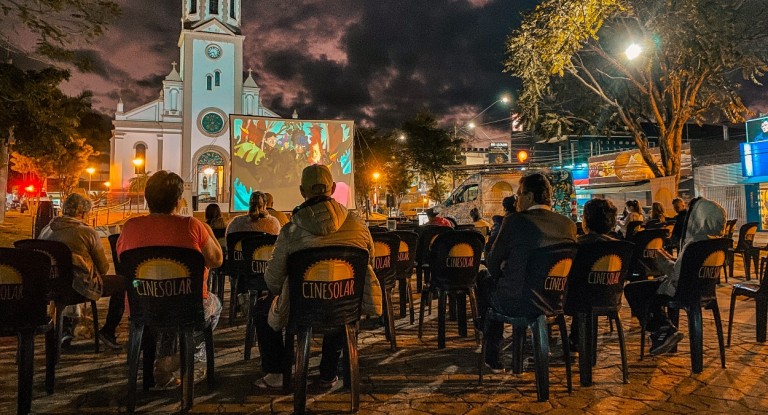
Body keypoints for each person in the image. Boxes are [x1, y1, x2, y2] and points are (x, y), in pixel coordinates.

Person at [254, 164, 382, 390]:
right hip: (345, 306)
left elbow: (273, 282)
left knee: (262, 307)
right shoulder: (359, 226)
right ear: (332, 188)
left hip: (302, 308)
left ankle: (277, 373)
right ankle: (328, 374)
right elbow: (368, 261)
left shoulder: (290, 231)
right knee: (340, 298)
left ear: (302, 191)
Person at [117, 171, 224, 388]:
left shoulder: (130, 227)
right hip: (188, 306)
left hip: (143, 305)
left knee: (168, 307)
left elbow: (122, 261)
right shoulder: (193, 226)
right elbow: (216, 260)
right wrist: (208, 231)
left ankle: (163, 371)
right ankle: (185, 357)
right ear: (178, 201)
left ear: (147, 199)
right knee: (215, 306)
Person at [477, 173, 577, 372]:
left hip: (518, 300)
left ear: (529, 197)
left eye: (519, 195)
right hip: (555, 300)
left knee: (484, 279)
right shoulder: (568, 225)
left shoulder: (515, 221)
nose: (517, 200)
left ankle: (492, 353)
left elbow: (492, 263)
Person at [623, 197, 726, 356]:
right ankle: (663, 328)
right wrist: (672, 260)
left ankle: (662, 328)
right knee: (649, 289)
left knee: (633, 289)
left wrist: (660, 258)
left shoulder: (694, 244)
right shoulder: (717, 242)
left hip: (681, 290)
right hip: (703, 289)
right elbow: (686, 269)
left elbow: (675, 275)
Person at [39, 193, 126, 350]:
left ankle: (65, 329)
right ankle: (108, 331)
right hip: (77, 287)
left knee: (66, 278)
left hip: (50, 286)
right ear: (84, 213)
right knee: (122, 283)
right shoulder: (86, 232)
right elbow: (103, 268)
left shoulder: (46, 230)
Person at [568, 198, 618, 348]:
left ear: (586, 220)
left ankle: (573, 339)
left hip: (577, 301)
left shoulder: (577, 245)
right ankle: (577, 339)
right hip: (609, 298)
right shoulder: (620, 247)